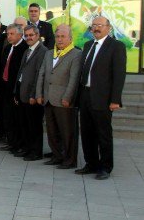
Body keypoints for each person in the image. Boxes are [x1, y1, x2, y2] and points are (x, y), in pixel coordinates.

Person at [75, 16, 126, 180]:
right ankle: (91, 163)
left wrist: (115, 99)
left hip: (103, 98)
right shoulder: (88, 45)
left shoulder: (116, 46)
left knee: (103, 134)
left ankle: (105, 167)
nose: (96, 28)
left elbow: (119, 75)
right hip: (85, 95)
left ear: (108, 28)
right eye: (94, 25)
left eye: (100, 25)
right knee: (87, 132)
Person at [36, 24, 81, 169]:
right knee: (52, 130)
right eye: (57, 36)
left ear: (70, 38)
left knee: (67, 132)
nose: (60, 39)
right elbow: (42, 74)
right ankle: (57, 155)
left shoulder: (76, 54)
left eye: (63, 36)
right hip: (48, 98)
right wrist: (39, 94)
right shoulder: (49, 53)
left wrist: (68, 97)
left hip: (64, 100)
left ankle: (69, 159)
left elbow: (74, 79)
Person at [14, 25, 48, 161]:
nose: (28, 38)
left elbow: (39, 75)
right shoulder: (27, 51)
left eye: (31, 35)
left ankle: (36, 151)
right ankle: (28, 148)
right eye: (26, 35)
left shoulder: (43, 51)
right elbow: (21, 72)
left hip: (32, 95)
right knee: (25, 124)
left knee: (34, 125)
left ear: (37, 35)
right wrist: (16, 91)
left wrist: (34, 94)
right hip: (23, 93)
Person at [0, 24, 27, 154]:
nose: (9, 36)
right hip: (5, 88)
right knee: (7, 117)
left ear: (20, 34)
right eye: (8, 34)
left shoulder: (24, 48)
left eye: (12, 34)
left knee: (18, 119)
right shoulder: (8, 47)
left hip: (16, 90)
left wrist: (17, 90)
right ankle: (12, 142)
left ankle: (20, 144)